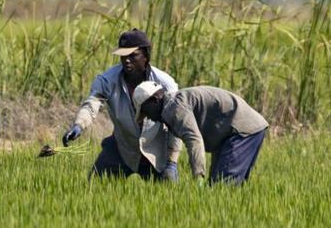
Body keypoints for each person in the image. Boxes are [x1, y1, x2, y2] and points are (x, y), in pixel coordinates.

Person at [62, 28, 183, 181]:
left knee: (168, 197)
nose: (127, 60)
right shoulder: (107, 80)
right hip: (122, 146)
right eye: (123, 56)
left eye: (133, 55)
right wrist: (79, 125)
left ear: (145, 55)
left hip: (156, 150)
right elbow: (92, 103)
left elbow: (177, 122)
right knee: (94, 186)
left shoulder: (165, 84)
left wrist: (172, 162)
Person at [132, 82, 268, 185]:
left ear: (155, 99)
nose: (147, 117)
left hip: (242, 131)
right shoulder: (172, 105)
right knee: (217, 185)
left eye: (145, 111)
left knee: (223, 187)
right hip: (231, 134)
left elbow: (194, 140)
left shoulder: (175, 108)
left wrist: (198, 177)